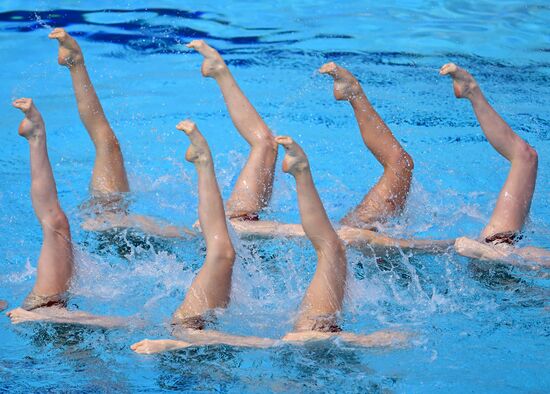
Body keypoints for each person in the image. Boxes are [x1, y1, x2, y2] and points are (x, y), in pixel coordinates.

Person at [130, 128, 409, 354]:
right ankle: (211, 165)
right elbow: (399, 338)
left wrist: (173, 345)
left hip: (191, 333)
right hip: (300, 338)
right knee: (227, 254)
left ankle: (209, 164)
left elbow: (395, 339)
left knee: (225, 254)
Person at [6, 98, 125, 326]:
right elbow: (131, 324)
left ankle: (36, 138)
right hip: (42, 313)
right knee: (57, 224)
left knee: (55, 223)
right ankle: (36, 137)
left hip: (42, 310)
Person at [440, 63, 550, 267]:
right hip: (497, 248)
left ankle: (500, 256)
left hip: (503, 268)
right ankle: (471, 91)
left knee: (512, 252)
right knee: (525, 157)